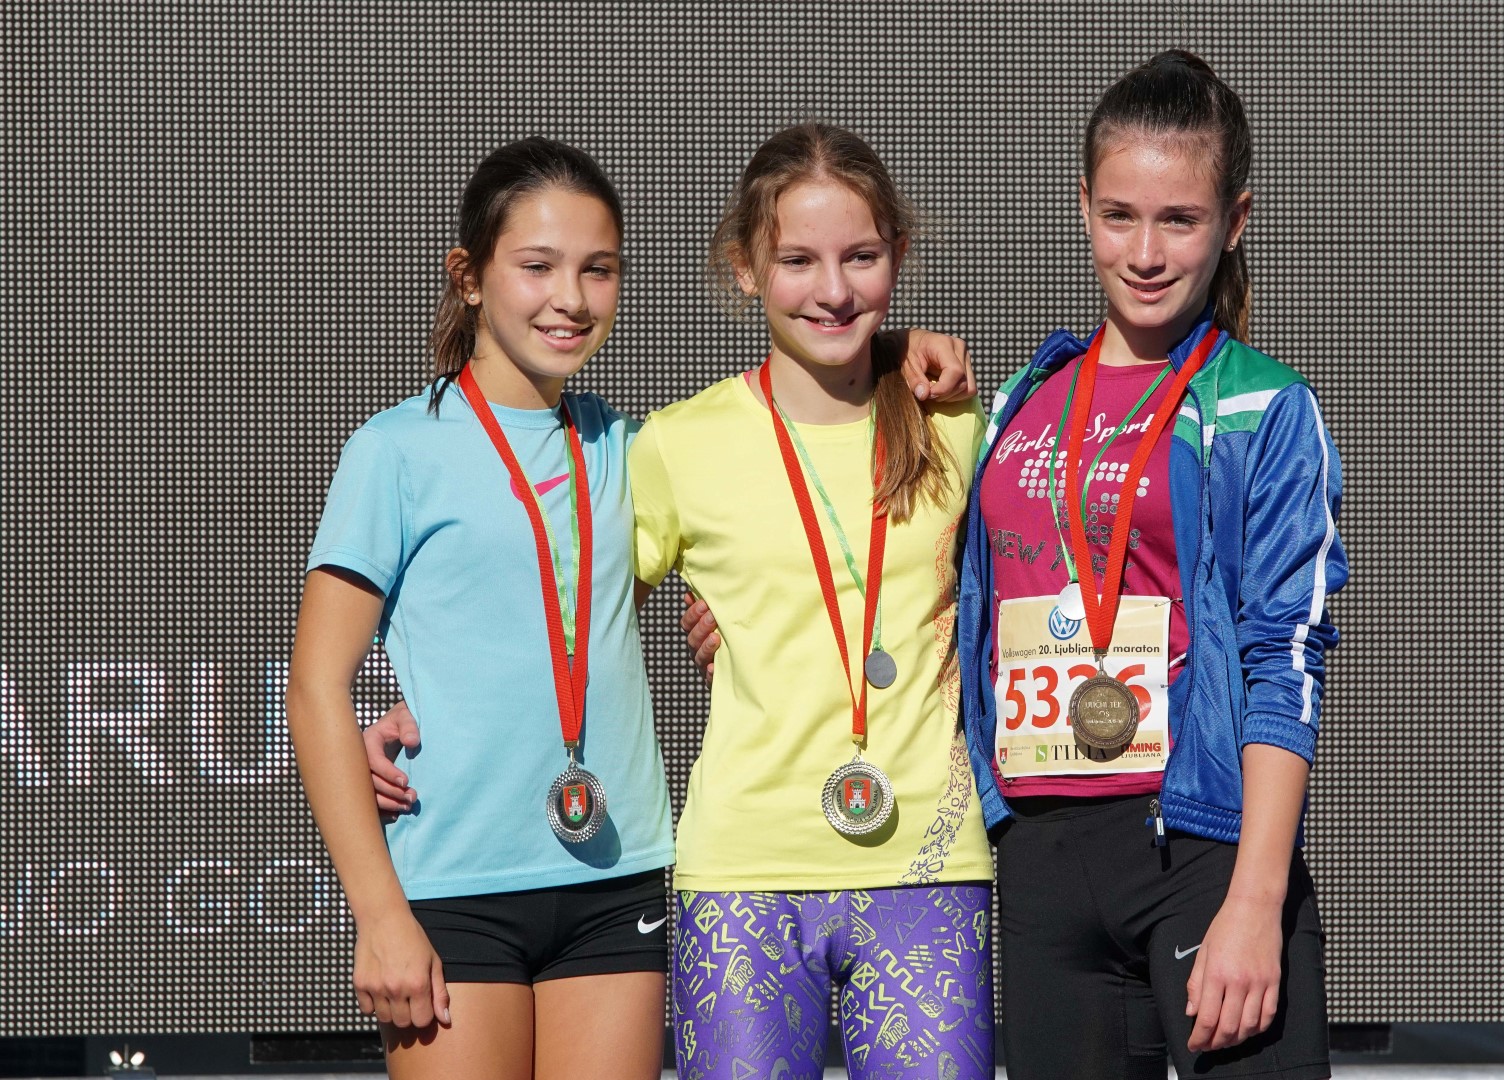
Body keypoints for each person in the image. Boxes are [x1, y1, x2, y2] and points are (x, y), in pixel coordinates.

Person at [291, 136, 973, 1080]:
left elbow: (728, 553)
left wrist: (898, 347)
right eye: (537, 267)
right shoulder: (395, 450)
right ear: (470, 277)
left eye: (597, 270)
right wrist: (377, 913)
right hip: (455, 883)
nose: (569, 298)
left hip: (617, 885)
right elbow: (316, 685)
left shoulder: (628, 446)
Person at [956, 51, 1347, 1080]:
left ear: (1234, 220)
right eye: (1118, 215)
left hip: (1201, 856)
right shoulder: (1015, 402)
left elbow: (1284, 659)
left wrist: (1254, 902)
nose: (1143, 252)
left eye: (1178, 220)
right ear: (1081, 207)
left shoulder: (1262, 405)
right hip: (1039, 859)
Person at [629, 122, 995, 1080]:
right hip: (741, 869)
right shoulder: (677, 444)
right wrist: (417, 701)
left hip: (929, 865)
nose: (832, 290)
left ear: (897, 257)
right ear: (744, 268)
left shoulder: (960, 423)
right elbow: (566, 621)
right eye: (797, 260)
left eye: (860, 257)